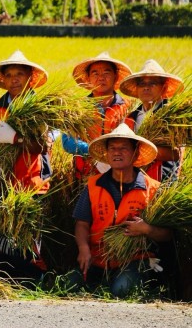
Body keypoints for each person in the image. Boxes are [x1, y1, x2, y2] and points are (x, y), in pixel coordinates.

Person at [70, 123, 172, 297]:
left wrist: (146, 229)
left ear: (135, 153)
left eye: (123, 148)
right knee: (69, 284)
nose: (117, 152)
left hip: (135, 260)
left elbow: (168, 234)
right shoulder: (93, 185)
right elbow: (82, 223)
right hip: (97, 258)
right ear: (107, 153)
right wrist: (83, 248)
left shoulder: (153, 189)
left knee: (121, 289)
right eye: (112, 148)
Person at [0, 50, 52, 194]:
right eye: (8, 75)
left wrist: (15, 139)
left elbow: (44, 146)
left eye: (19, 74)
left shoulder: (42, 108)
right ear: (3, 80)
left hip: (33, 187)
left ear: (30, 77)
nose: (14, 79)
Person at [62, 52, 132, 180]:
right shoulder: (77, 107)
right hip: (85, 175)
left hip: (120, 176)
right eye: (95, 73)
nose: (101, 78)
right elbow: (67, 142)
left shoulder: (129, 107)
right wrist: (94, 151)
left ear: (115, 77)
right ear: (88, 78)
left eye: (106, 73)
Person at [120, 59, 184, 182]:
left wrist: (139, 150)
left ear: (164, 87)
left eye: (152, 83)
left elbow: (176, 154)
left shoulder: (171, 116)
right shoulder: (130, 118)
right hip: (134, 181)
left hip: (162, 181)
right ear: (137, 89)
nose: (146, 88)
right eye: (142, 84)